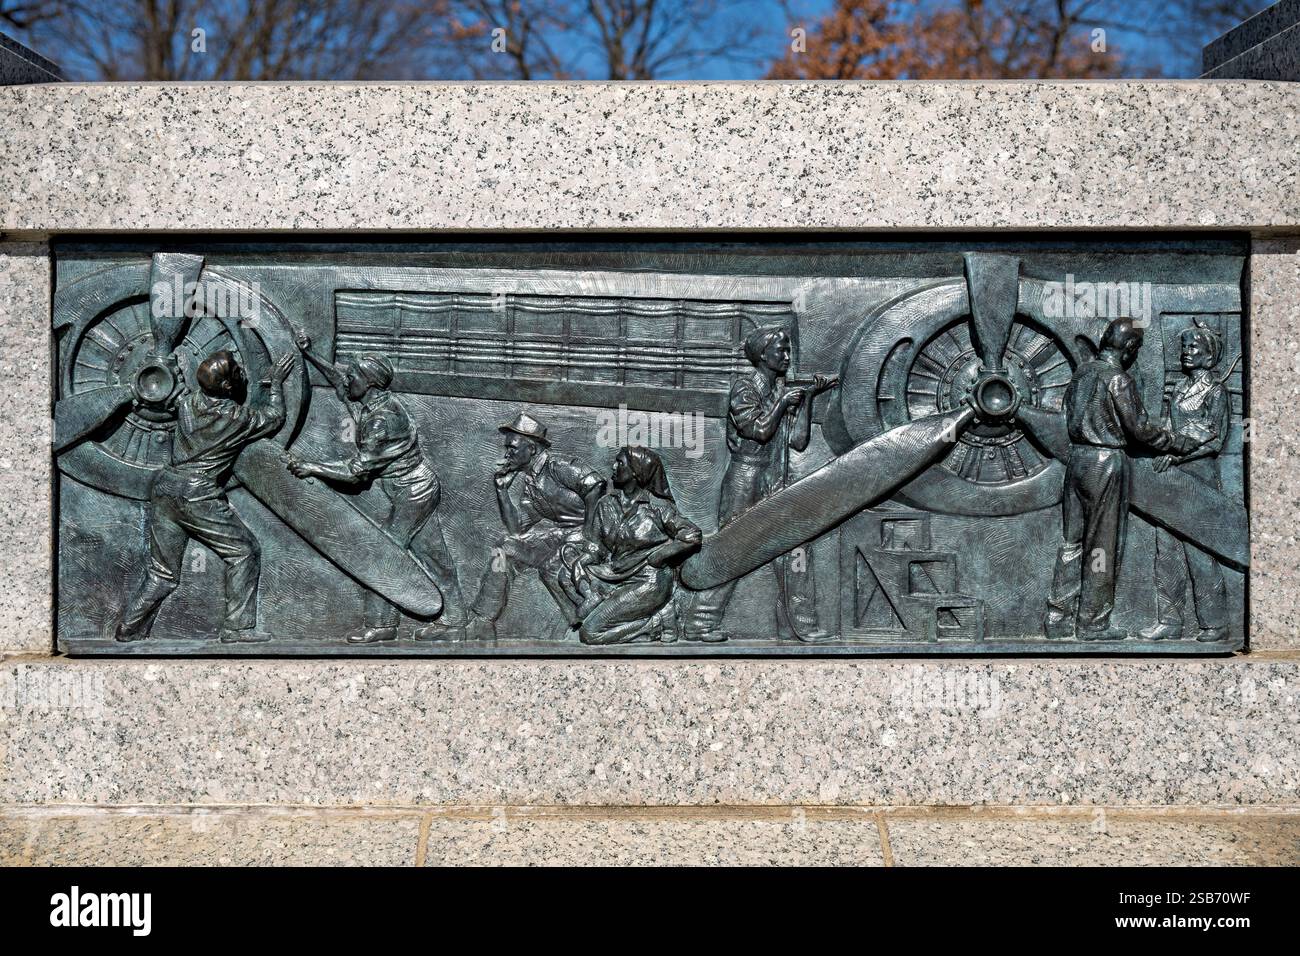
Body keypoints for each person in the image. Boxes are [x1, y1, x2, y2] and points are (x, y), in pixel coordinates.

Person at [286, 337, 466, 644]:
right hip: (413, 488)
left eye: (353, 375)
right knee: (435, 556)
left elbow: (356, 473)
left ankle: (382, 624)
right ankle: (456, 620)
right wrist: (310, 354)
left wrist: (312, 467)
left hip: (413, 491)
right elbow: (339, 380)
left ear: (368, 384)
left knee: (380, 554)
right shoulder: (370, 400)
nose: (348, 379)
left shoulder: (381, 421)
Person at [116, 348, 294, 644]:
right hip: (198, 494)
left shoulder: (185, 403)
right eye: (236, 371)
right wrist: (275, 384)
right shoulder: (239, 419)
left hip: (165, 487)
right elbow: (274, 418)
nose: (241, 372)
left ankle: (129, 628)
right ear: (227, 387)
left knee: (163, 572)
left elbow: (164, 392)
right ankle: (238, 628)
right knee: (245, 552)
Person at [679, 326, 836, 642]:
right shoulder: (744, 390)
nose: (788, 358)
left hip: (774, 479)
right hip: (745, 480)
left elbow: (799, 441)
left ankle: (798, 625)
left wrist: (806, 400)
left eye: (789, 351)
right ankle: (699, 623)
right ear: (763, 355)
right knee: (732, 551)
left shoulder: (781, 391)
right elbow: (758, 430)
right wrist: (781, 404)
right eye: (782, 351)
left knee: (795, 547)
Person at [1044, 317, 1188, 641]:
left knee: (1071, 543)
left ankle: (1057, 618)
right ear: (1130, 348)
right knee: (1101, 547)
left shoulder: (1082, 373)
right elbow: (1139, 430)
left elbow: (1065, 416)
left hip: (1077, 461)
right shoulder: (1118, 380)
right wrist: (1173, 440)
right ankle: (1092, 624)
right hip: (1105, 462)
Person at [465, 412, 604, 640]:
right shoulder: (531, 483)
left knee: (551, 567)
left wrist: (590, 534)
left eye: (512, 447)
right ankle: (483, 621)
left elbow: (595, 486)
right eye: (506, 448)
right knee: (504, 549)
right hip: (561, 535)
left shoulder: (558, 466)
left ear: (531, 449)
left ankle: (579, 623)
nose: (507, 453)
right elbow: (516, 529)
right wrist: (501, 490)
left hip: (587, 534)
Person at [1140, 321, 1231, 642]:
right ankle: (1170, 620)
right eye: (1184, 348)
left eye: (1193, 348)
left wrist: (1178, 456)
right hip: (1172, 478)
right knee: (1165, 550)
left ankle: (1215, 623)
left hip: (1199, 478)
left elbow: (1214, 441)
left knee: (1200, 553)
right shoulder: (1178, 389)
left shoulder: (1216, 392)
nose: (1185, 354)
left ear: (1209, 355)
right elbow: (1168, 429)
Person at [564, 446, 702, 645]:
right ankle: (601, 602)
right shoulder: (606, 504)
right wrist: (585, 558)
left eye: (620, 463)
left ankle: (656, 622)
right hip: (614, 574)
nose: (613, 466)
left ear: (636, 472)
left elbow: (692, 534)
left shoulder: (658, 507)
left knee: (590, 634)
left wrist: (660, 556)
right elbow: (596, 545)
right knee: (565, 574)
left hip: (648, 580)